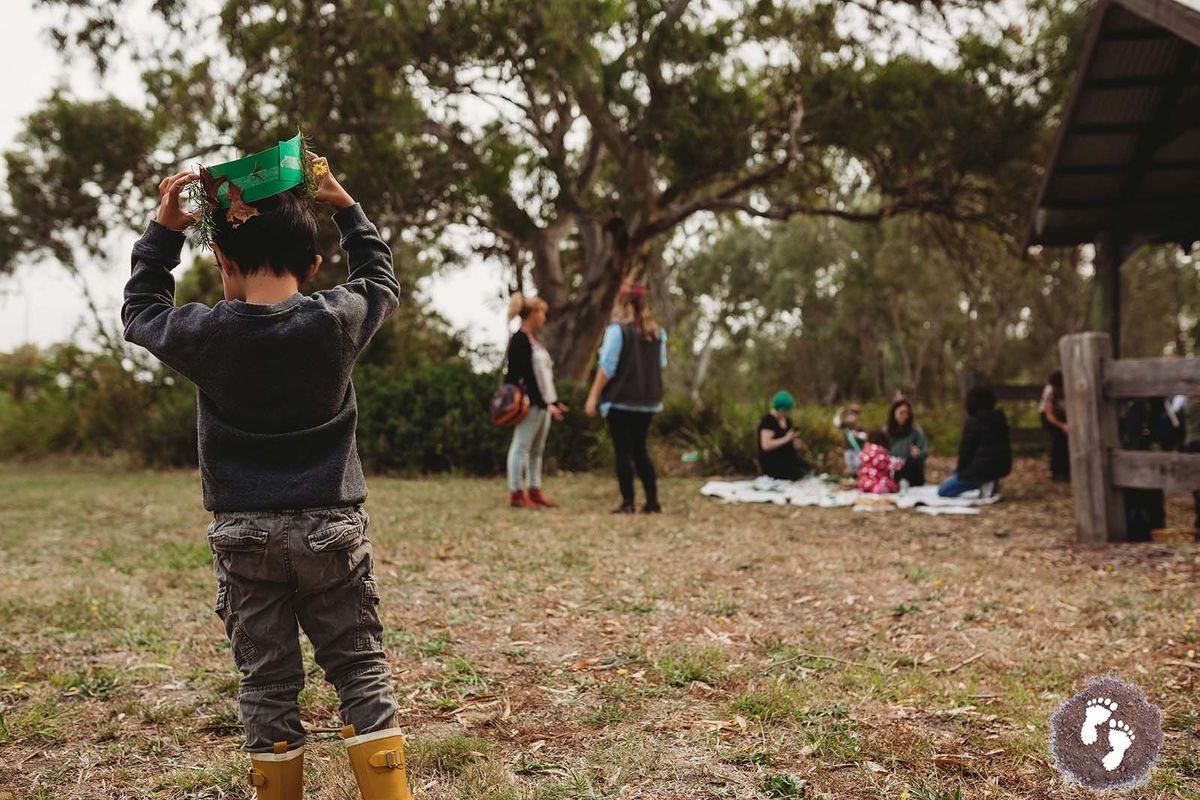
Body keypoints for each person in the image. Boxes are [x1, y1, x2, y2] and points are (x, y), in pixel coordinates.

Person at [122, 157, 412, 799]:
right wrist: (345, 205)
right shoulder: (336, 319)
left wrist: (164, 232)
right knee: (359, 668)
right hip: (332, 529)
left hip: (244, 534)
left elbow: (141, 310)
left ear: (222, 259)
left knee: (268, 683)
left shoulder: (205, 334)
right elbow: (380, 279)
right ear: (311, 267)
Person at [585, 285, 667, 513]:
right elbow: (660, 365)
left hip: (620, 399)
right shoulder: (658, 333)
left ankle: (628, 502)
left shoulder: (617, 331)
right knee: (640, 449)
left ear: (624, 304)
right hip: (648, 401)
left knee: (623, 450)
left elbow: (607, 368)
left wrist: (592, 397)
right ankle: (652, 501)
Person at [503, 293, 566, 509]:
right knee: (521, 447)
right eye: (542, 314)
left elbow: (544, 377)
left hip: (544, 405)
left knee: (537, 451)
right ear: (532, 315)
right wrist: (540, 401)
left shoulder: (536, 342)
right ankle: (516, 493)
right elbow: (522, 377)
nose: (544, 319)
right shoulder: (519, 340)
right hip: (529, 405)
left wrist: (554, 402)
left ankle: (534, 489)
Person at [938, 386, 1013, 498]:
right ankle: (990, 481)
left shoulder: (973, 421)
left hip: (981, 469)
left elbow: (966, 451)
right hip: (1001, 467)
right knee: (956, 472)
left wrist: (961, 471)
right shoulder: (1000, 418)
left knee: (943, 491)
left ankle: (984, 483)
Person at [757, 390, 810, 480]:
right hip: (774, 461)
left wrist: (795, 443)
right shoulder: (768, 421)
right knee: (795, 473)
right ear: (782, 409)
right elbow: (765, 445)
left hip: (788, 458)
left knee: (806, 470)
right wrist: (786, 439)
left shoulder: (787, 421)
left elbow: (790, 440)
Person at [886, 399, 927, 487]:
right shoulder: (886, 431)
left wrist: (917, 453)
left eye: (906, 413)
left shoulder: (916, 431)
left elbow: (923, 452)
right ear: (894, 412)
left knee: (915, 461)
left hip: (910, 472)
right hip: (892, 469)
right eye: (901, 412)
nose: (904, 416)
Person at [1041, 371, 1069, 482]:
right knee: (1058, 440)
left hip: (1064, 415)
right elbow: (1049, 416)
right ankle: (1058, 472)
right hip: (1051, 417)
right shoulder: (1049, 392)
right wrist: (1062, 426)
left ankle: (1068, 470)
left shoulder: (1070, 389)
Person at [833, 403, 867, 474]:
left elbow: (865, 436)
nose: (851, 417)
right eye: (850, 414)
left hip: (857, 450)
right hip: (847, 449)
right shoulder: (846, 425)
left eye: (853, 415)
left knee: (858, 465)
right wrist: (839, 412)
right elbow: (836, 423)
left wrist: (857, 434)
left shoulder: (859, 426)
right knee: (849, 466)